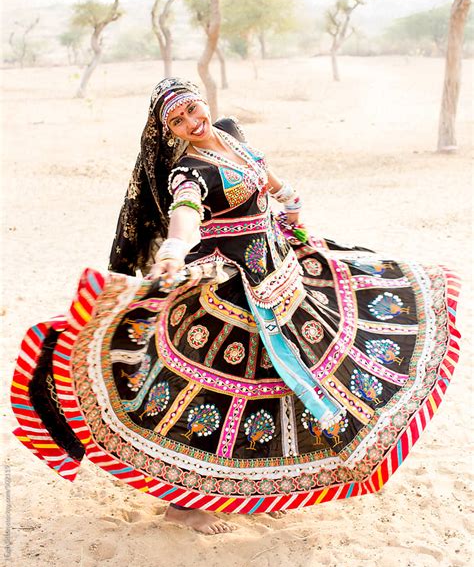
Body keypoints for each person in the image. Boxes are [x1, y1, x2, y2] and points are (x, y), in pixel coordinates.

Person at [11, 78, 461, 535]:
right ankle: (183, 506)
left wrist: (290, 205)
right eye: (178, 120)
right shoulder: (186, 172)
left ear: (203, 100)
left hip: (278, 273)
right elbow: (185, 212)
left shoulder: (229, 131)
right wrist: (173, 249)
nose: (191, 122)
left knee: (271, 384)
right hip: (233, 291)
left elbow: (263, 174)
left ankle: (251, 490)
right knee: (211, 390)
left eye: (192, 109)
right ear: (169, 129)